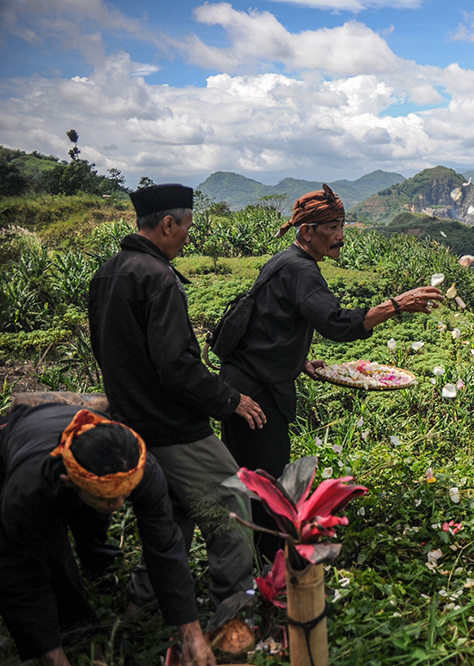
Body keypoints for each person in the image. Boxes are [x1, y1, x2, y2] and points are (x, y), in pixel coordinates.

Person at [220, 184, 443, 559]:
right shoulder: (301, 271)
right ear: (306, 231)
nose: (340, 235)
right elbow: (338, 325)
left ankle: (256, 560)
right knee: (266, 486)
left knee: (256, 480)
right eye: (331, 227)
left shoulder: (284, 262)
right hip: (254, 395)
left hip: (248, 381)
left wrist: (299, 361)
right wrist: (397, 304)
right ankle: (267, 567)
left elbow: (267, 326)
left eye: (342, 225)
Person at [88, 184, 265, 612]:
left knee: (170, 512)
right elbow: (176, 365)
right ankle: (235, 606)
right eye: (187, 225)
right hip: (173, 427)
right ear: (168, 223)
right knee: (231, 503)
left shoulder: (109, 272)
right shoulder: (157, 278)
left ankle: (146, 600)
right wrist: (229, 400)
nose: (189, 235)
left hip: (131, 421)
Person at [0, 404, 216, 666]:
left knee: (94, 522)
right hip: (24, 437)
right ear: (71, 482)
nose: (118, 505)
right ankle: (76, 632)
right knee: (52, 556)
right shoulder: (27, 491)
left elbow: (165, 546)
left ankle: (98, 568)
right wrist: (52, 655)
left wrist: (191, 631)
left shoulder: (140, 466)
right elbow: (21, 576)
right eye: (109, 497)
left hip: (84, 449)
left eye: (125, 495)